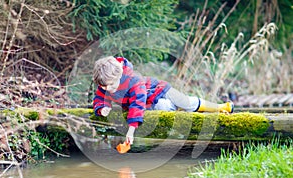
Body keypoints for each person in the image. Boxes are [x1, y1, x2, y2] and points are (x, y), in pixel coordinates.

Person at [92, 56, 233, 145]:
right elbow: (99, 98)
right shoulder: (105, 86)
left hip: (161, 90)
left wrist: (131, 130)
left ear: (120, 75)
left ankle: (220, 107)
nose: (108, 89)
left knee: (186, 103)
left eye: (111, 85)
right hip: (153, 102)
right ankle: (183, 110)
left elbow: (137, 103)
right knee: (163, 107)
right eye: (104, 86)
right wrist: (101, 108)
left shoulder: (133, 80)